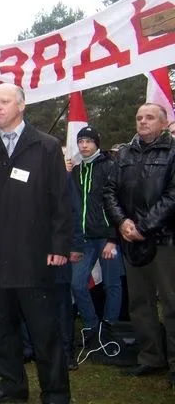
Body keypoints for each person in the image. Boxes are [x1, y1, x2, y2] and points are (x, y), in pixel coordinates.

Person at [0, 84, 72, 404]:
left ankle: (55, 392)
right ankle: (12, 385)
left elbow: (61, 201)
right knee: (0, 329)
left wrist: (59, 245)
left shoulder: (45, 145)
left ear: (21, 106)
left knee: (44, 330)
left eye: (3, 101)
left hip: (33, 256)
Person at [103, 103, 175, 389]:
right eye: (139, 118)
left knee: (171, 303)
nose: (142, 122)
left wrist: (144, 227)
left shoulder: (172, 152)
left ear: (164, 122)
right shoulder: (124, 154)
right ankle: (151, 357)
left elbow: (172, 196)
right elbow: (109, 191)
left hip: (164, 239)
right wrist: (123, 223)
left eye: (149, 117)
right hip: (131, 239)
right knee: (140, 302)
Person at [69, 126, 123, 346]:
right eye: (81, 141)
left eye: (88, 141)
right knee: (77, 284)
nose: (84, 145)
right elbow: (73, 207)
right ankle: (92, 327)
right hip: (85, 239)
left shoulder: (110, 166)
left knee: (112, 284)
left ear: (96, 144)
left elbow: (118, 203)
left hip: (107, 238)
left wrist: (113, 239)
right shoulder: (76, 171)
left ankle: (109, 329)